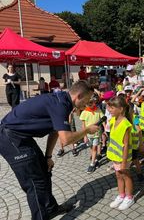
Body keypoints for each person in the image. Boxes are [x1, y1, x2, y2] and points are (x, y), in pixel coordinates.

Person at [0, 80, 99, 220]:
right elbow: (66, 139)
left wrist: (48, 157)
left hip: (22, 137)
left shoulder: (63, 101)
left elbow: (55, 131)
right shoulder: (61, 105)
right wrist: (87, 130)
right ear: (79, 96)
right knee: (35, 183)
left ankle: (51, 209)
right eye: (87, 100)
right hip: (10, 138)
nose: (86, 105)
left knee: (44, 170)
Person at [107, 96, 134, 211]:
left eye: (112, 108)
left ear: (121, 109)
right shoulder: (113, 120)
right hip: (115, 156)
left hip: (124, 157)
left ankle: (129, 197)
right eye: (109, 107)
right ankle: (121, 195)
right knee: (118, 175)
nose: (109, 110)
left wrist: (123, 162)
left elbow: (126, 145)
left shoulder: (125, 124)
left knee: (125, 176)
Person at [80, 93, 104, 173]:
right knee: (91, 147)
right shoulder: (84, 112)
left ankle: (92, 164)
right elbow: (83, 125)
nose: (90, 104)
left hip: (97, 133)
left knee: (94, 148)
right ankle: (94, 157)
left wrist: (106, 127)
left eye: (92, 102)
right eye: (88, 103)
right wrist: (84, 135)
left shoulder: (98, 110)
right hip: (88, 134)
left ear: (95, 102)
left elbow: (103, 118)